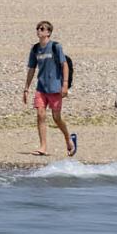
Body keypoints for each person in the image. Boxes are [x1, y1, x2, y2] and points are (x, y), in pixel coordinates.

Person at [23, 20, 77, 157]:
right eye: (37, 28)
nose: (39, 31)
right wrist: (26, 88)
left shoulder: (55, 47)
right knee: (40, 115)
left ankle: (68, 139)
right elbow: (31, 69)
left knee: (56, 118)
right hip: (41, 88)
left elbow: (64, 64)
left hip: (55, 88)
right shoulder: (35, 49)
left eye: (42, 29)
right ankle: (43, 147)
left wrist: (65, 85)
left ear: (48, 32)